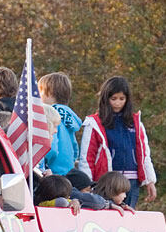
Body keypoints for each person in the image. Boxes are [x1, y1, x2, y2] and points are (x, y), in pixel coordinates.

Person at [77, 76, 156, 208]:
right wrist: (87, 184)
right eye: (113, 99)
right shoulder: (95, 123)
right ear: (105, 99)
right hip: (108, 181)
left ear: (127, 99)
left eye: (122, 99)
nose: (118, 103)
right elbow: (87, 156)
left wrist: (150, 181)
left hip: (132, 181)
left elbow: (144, 153)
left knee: (128, 218)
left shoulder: (136, 123)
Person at [38, 72, 81, 176]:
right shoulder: (69, 117)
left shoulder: (51, 115)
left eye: (40, 92)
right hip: (68, 169)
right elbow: (75, 147)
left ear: (49, 94)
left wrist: (43, 160)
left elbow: (51, 147)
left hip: (54, 171)